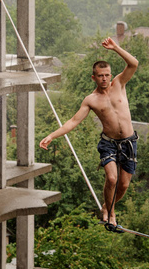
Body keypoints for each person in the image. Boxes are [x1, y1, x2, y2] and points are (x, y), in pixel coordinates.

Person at [39, 37, 139, 230]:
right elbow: (73, 121)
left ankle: (107, 206)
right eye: (100, 75)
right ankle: (109, 212)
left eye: (107, 75)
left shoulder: (119, 84)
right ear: (94, 77)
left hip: (129, 142)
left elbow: (133, 63)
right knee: (111, 179)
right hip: (109, 143)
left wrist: (115, 48)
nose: (104, 78)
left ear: (111, 75)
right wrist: (52, 135)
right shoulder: (91, 100)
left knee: (124, 186)